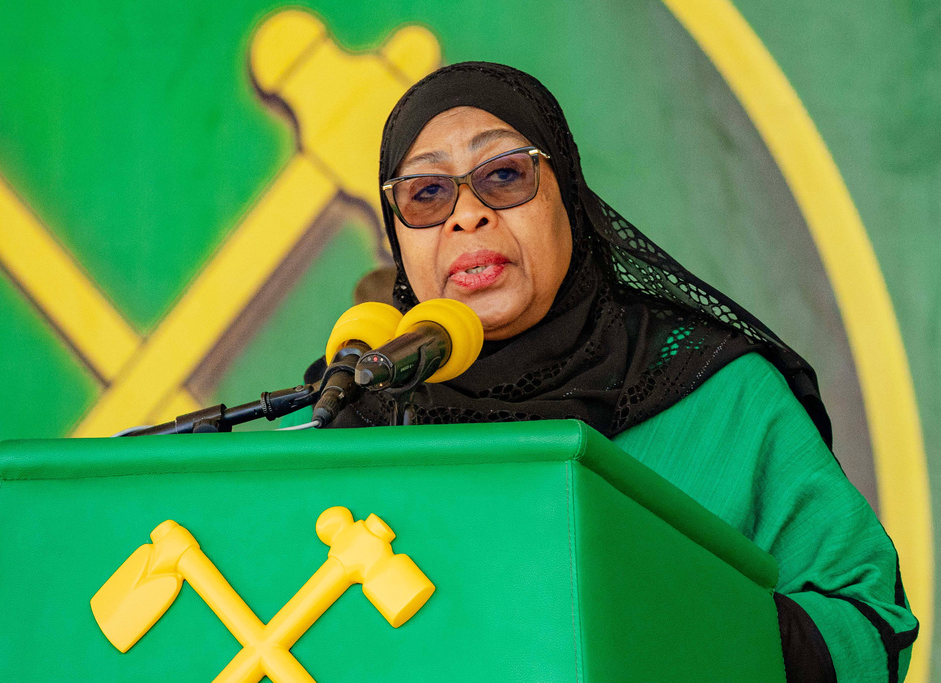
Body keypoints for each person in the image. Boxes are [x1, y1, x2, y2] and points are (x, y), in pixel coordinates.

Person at [312, 62, 917, 680]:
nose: (467, 215)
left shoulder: (720, 395)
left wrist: (676, 609)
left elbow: (868, 629)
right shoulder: (359, 412)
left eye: (503, 174)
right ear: (397, 235)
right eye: (427, 193)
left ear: (568, 197)